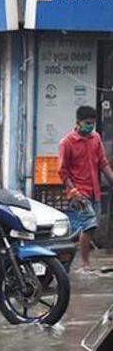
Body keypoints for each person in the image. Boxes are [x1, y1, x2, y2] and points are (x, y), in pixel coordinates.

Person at [59, 105, 113, 271]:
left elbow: (103, 163)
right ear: (78, 122)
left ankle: (64, 258)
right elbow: (63, 171)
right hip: (78, 193)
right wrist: (72, 190)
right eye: (87, 123)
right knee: (89, 224)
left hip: (94, 191)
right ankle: (84, 262)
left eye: (93, 123)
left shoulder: (95, 138)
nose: (90, 126)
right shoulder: (67, 143)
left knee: (84, 228)